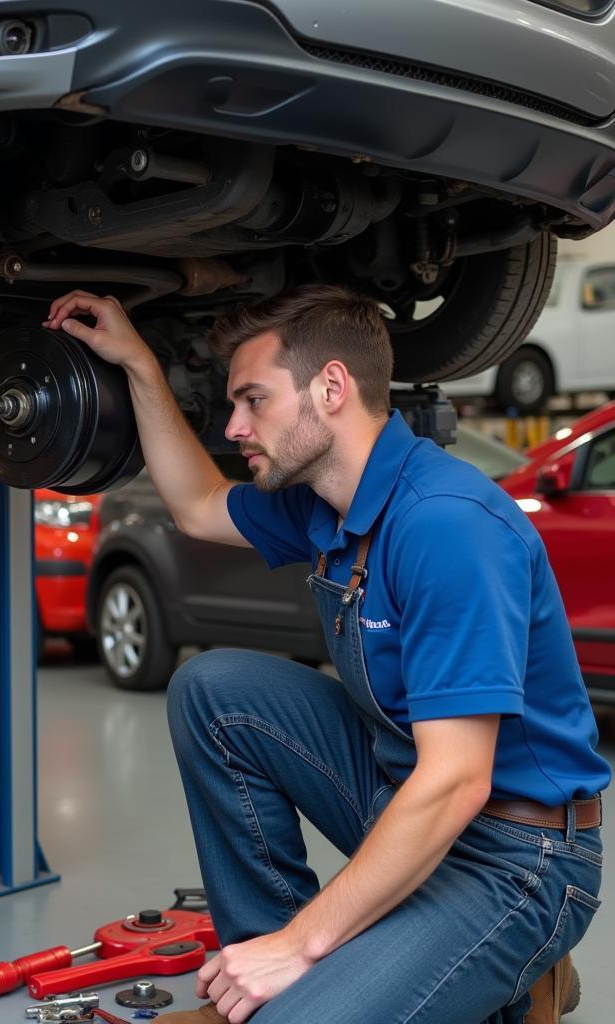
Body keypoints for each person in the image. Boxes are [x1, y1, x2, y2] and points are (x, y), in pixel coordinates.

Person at [43, 285, 609, 1024]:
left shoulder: (446, 526)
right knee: (213, 691)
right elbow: (196, 505)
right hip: (401, 796)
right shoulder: (327, 501)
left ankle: (491, 963)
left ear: (331, 387)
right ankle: (266, 979)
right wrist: (140, 365)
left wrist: (306, 943)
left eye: (254, 400)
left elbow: (458, 780)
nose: (237, 425)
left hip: (515, 856)